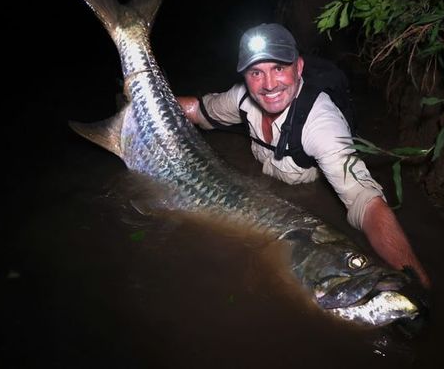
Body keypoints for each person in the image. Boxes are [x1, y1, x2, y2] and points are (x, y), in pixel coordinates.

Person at [177, 23, 430, 288]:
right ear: (246, 77)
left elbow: (366, 202)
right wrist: (143, 98)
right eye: (256, 73)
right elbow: (197, 111)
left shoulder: (322, 124)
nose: (269, 84)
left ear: (298, 68)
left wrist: (413, 281)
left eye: (279, 68)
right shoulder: (241, 96)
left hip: (302, 187)